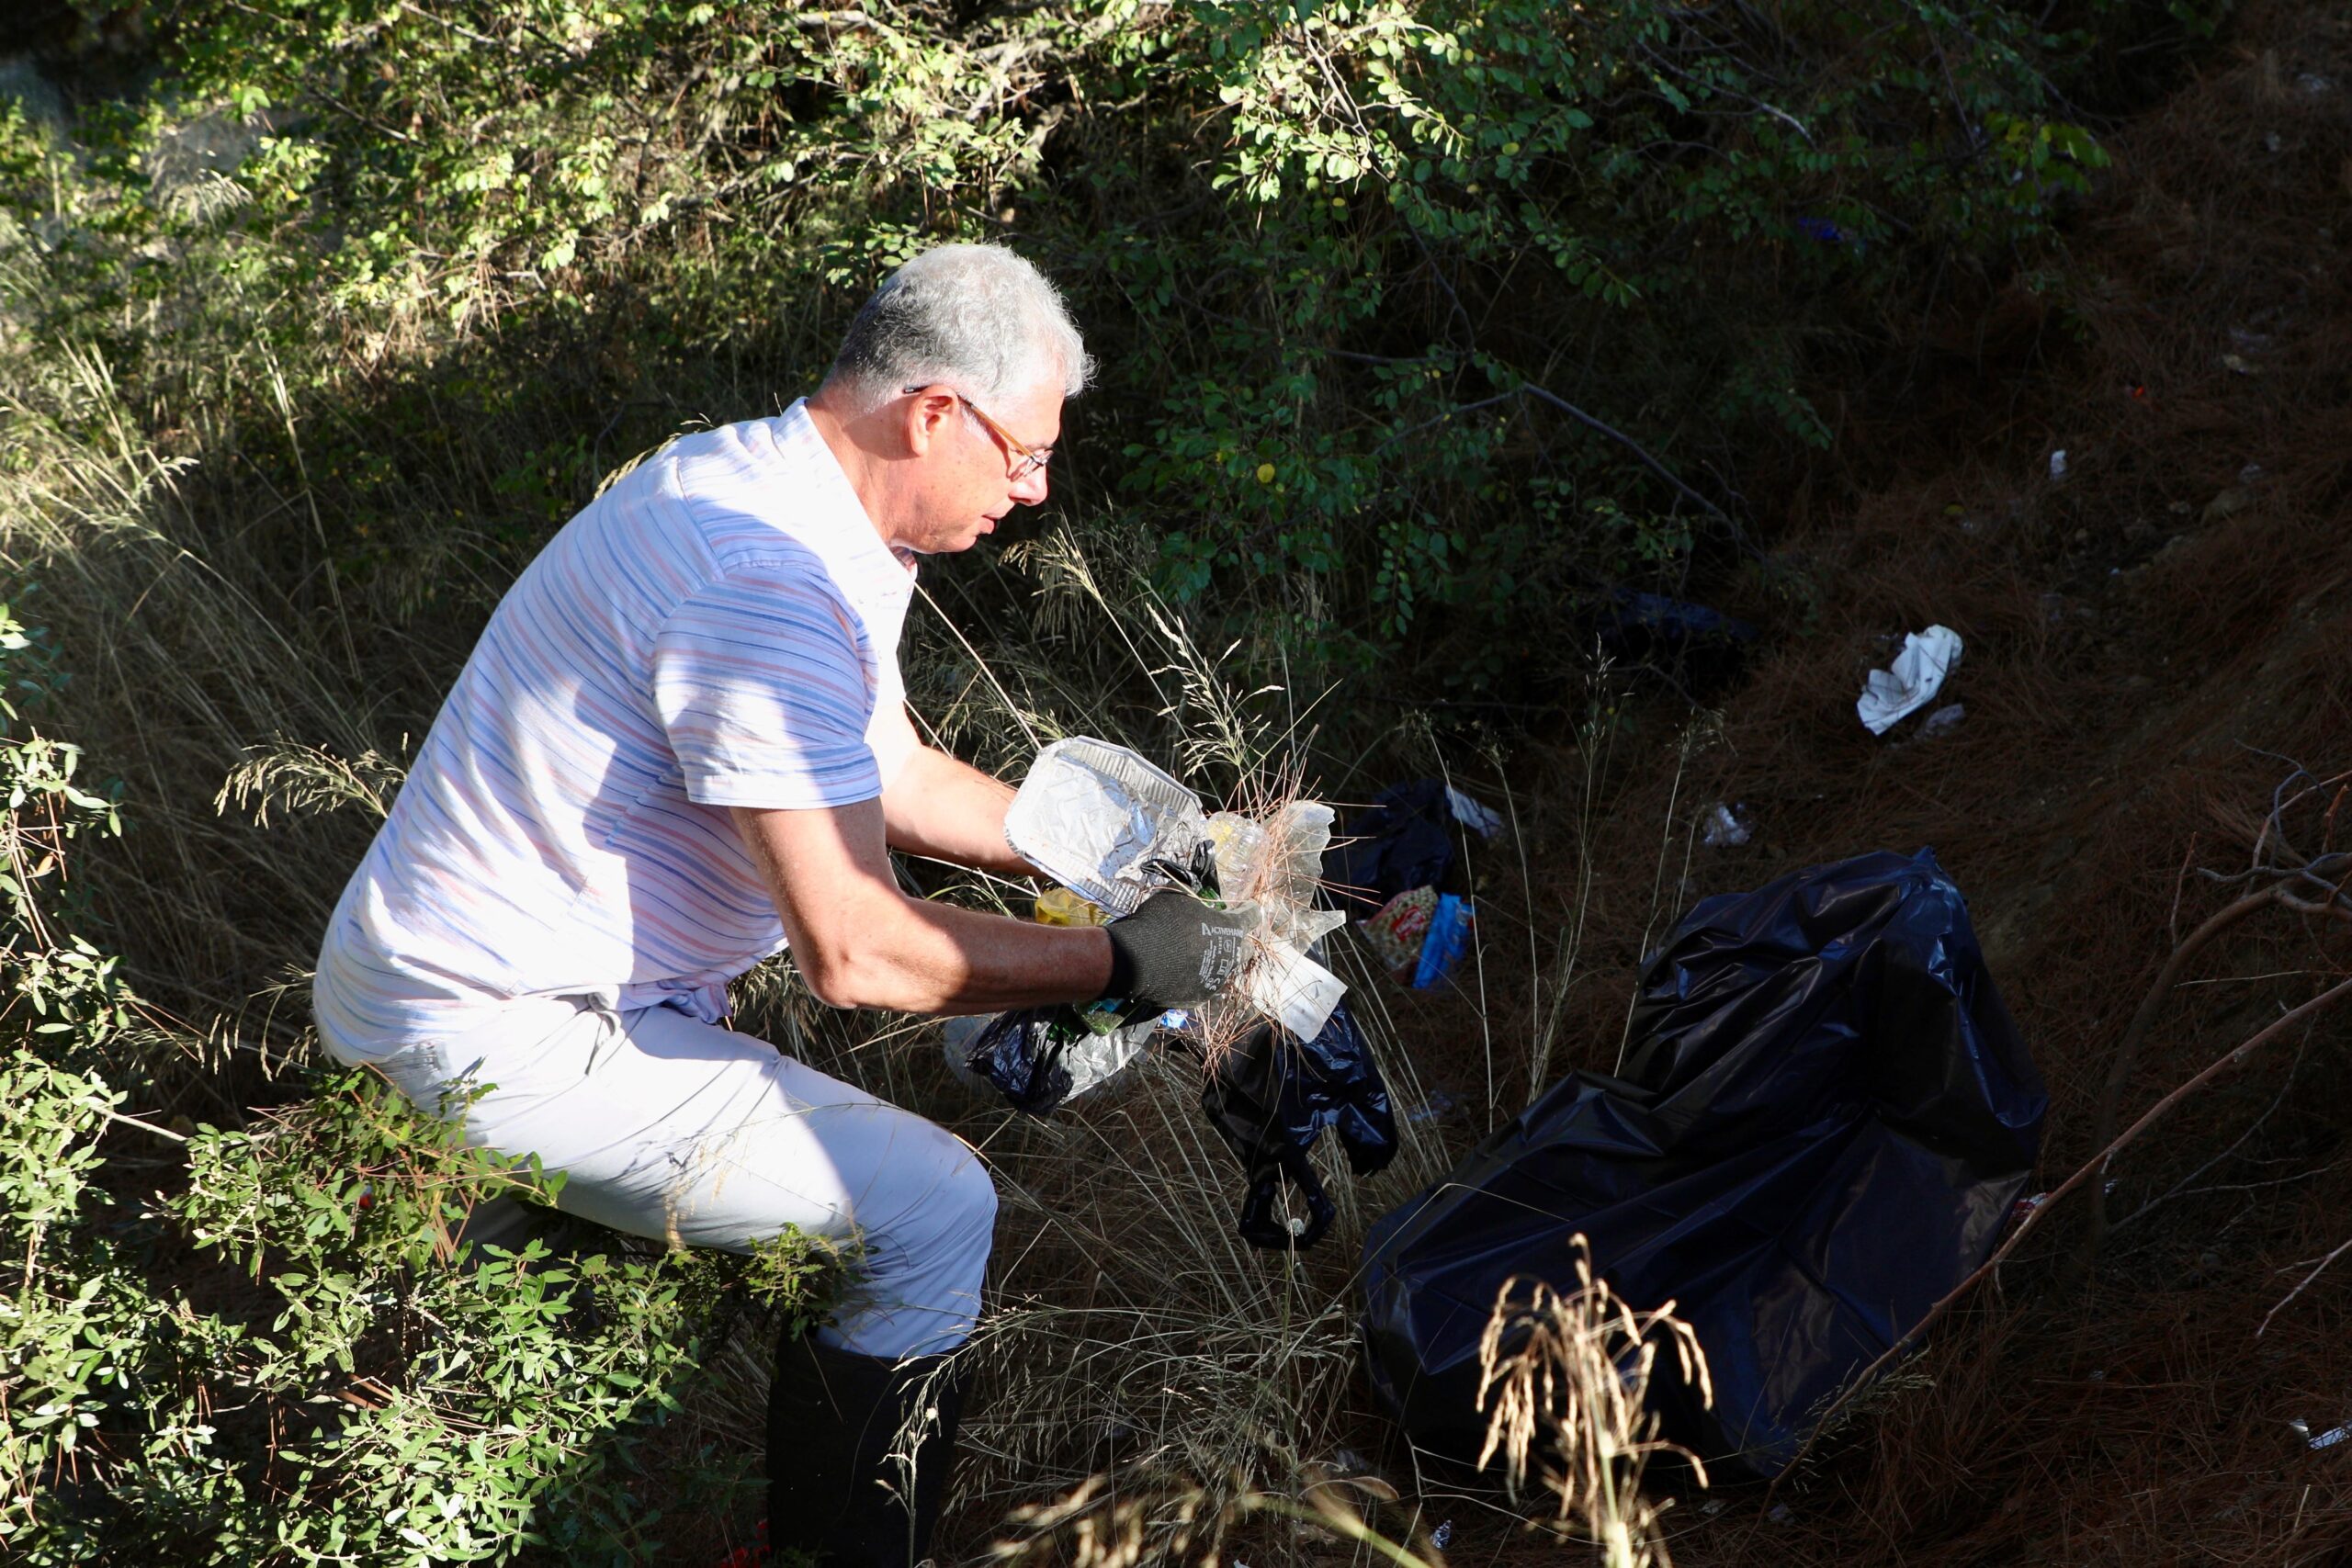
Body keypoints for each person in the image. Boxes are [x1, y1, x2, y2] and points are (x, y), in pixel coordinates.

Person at [311, 243, 1245, 1566]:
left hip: (493, 977)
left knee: (595, 1339)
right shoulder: (763, 578)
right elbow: (857, 950)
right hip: (495, 1023)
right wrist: (1127, 963)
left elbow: (892, 771)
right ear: (934, 413)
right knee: (932, 1211)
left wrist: (1127, 857)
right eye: (1026, 455)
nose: (1036, 490)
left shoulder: (784, 495)